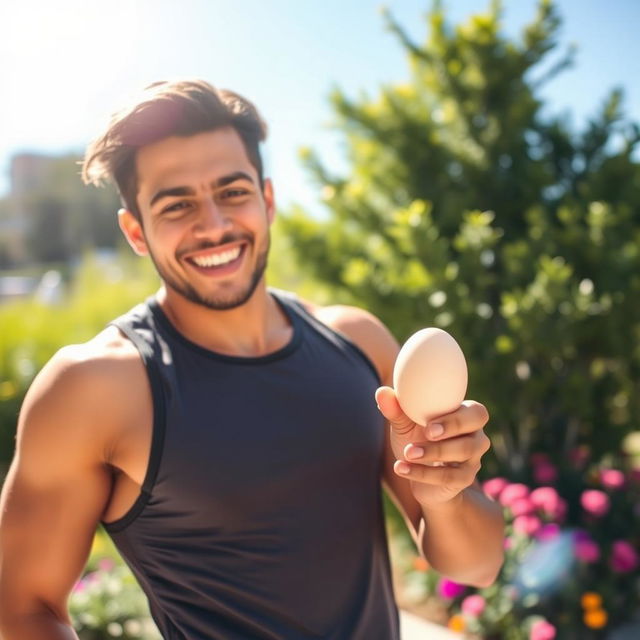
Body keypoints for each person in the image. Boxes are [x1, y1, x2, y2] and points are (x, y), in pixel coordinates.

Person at [0, 79, 504, 640]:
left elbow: (478, 566)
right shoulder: (95, 386)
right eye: (177, 204)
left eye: (232, 192)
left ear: (266, 200)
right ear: (136, 232)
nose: (213, 224)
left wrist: (447, 499)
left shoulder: (357, 341)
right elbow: (22, 608)